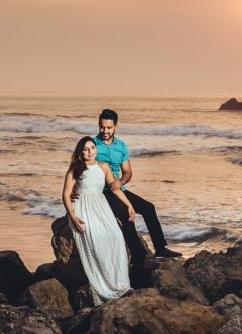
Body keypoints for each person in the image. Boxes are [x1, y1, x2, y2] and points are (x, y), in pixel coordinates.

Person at [92, 108, 182, 267]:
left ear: (116, 127)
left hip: (119, 190)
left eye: (108, 127)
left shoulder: (121, 146)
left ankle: (160, 248)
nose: (104, 131)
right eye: (102, 127)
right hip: (101, 192)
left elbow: (127, 172)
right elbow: (79, 168)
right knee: (127, 214)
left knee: (148, 208)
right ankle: (139, 258)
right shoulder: (92, 145)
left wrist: (121, 182)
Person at [62, 136, 134, 305]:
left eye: (92, 148)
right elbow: (65, 194)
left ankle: (121, 285)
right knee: (96, 240)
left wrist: (129, 205)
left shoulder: (103, 166)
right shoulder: (75, 169)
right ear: (80, 152)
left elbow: (115, 188)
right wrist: (72, 215)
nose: (90, 152)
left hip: (101, 206)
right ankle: (104, 288)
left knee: (116, 236)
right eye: (86, 149)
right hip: (82, 207)